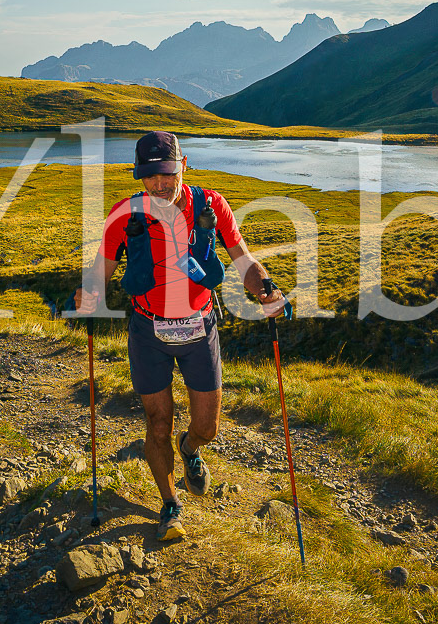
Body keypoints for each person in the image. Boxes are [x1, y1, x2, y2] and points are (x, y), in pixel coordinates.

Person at [75, 130, 286, 541]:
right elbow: (101, 269)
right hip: (147, 330)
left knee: (208, 426)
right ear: (139, 174)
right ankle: (170, 505)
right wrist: (89, 292)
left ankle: (189, 448)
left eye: (168, 173)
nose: (159, 184)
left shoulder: (211, 205)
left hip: (199, 326)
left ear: (183, 165)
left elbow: (243, 260)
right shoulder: (123, 215)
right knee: (157, 423)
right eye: (150, 175)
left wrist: (265, 289)